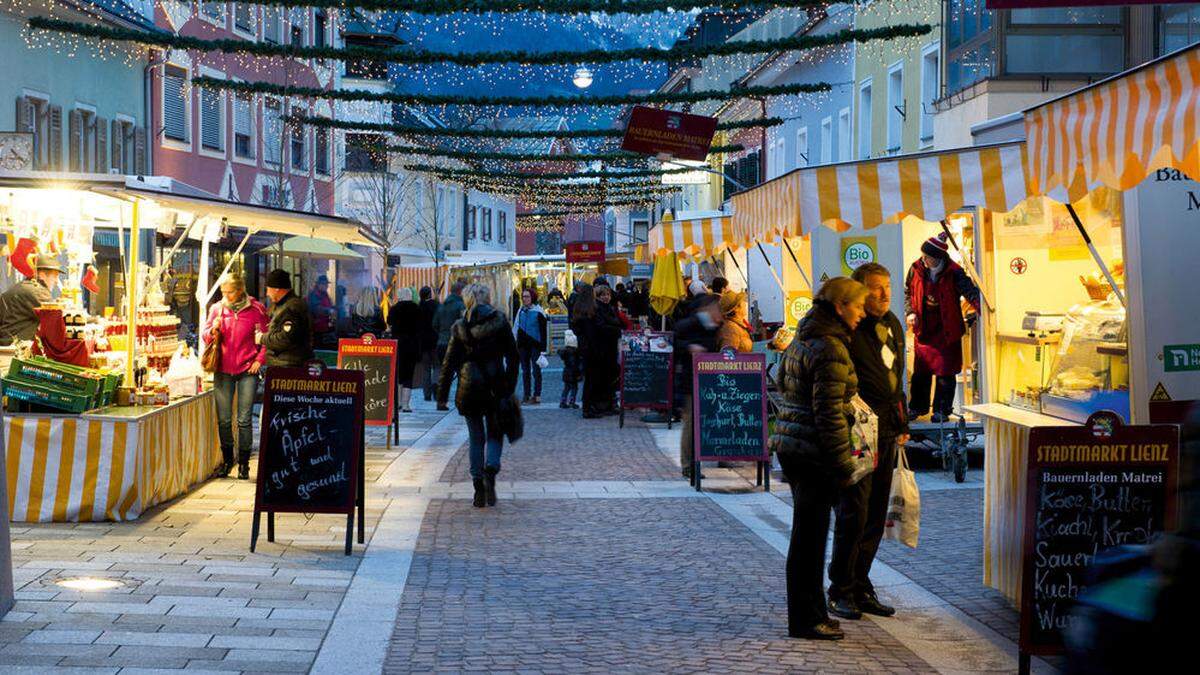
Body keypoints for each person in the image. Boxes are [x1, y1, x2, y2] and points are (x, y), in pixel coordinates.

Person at [770, 276, 868, 641]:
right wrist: (844, 465)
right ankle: (807, 619)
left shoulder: (804, 336)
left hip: (793, 444)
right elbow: (827, 414)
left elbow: (781, 382)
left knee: (806, 536)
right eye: (857, 306)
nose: (861, 314)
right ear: (840, 306)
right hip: (812, 451)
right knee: (810, 540)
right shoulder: (830, 346)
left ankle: (811, 613)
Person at [827, 263, 910, 621]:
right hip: (858, 431)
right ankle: (840, 589)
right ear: (859, 291)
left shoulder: (892, 324)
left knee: (876, 513)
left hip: (888, 429)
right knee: (854, 512)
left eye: (887, 286)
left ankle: (861, 584)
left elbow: (896, 375)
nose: (884, 294)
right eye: (875, 288)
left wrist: (901, 419)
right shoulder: (849, 329)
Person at [437, 284, 519, 508]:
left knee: (476, 437)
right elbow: (513, 356)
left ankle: (477, 488)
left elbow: (449, 362)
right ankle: (490, 469)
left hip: (469, 386)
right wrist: (509, 385)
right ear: (488, 299)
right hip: (495, 385)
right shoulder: (500, 322)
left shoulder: (461, 326)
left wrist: (442, 394)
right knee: (494, 432)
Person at [905, 232, 981, 422]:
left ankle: (941, 410)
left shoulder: (954, 271)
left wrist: (981, 307)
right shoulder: (916, 268)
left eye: (928, 257)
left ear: (937, 258)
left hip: (946, 329)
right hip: (924, 329)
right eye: (923, 255)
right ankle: (917, 407)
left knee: (945, 373)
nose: (924, 259)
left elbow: (969, 291)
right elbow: (907, 291)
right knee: (921, 372)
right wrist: (910, 312)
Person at [202, 273, 269, 480]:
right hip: (223, 369)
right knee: (223, 419)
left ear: (240, 290)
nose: (226, 295)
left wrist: (259, 360)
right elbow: (205, 336)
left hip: (247, 369)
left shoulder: (256, 310)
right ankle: (227, 461)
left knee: (244, 419)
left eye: (229, 292)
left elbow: (266, 338)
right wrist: (212, 331)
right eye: (223, 292)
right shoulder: (217, 310)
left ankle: (244, 464)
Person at [674, 294, 722, 479]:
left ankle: (696, 461)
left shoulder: (714, 326)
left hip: (708, 382)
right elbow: (675, 342)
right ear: (706, 308)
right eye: (716, 307)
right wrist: (689, 347)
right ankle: (688, 465)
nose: (718, 311)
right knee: (691, 423)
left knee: (700, 423)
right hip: (690, 381)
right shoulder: (691, 324)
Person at [0, 253, 61, 344]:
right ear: (42, 275)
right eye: (55, 276)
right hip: (16, 348)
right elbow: (56, 318)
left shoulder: (24, 286)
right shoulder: (37, 291)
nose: (56, 281)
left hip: (7, 344)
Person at [261, 269, 313, 368]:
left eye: (268, 289)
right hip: (282, 363)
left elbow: (285, 339)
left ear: (276, 289)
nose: (267, 293)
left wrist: (262, 338)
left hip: (288, 365)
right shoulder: (281, 305)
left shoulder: (291, 308)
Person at [586, 284, 624, 417]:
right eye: (603, 295)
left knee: (610, 377)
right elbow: (601, 327)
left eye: (607, 294)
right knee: (600, 378)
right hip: (600, 349)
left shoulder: (610, 308)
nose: (606, 297)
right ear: (597, 296)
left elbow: (617, 322)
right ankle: (599, 405)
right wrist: (618, 330)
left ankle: (607, 404)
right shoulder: (596, 309)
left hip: (610, 348)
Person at [387, 286, 423, 413]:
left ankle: (397, 404)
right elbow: (420, 327)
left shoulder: (394, 309)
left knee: (398, 375)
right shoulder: (417, 309)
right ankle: (406, 405)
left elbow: (389, 323)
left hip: (398, 345)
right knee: (409, 375)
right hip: (412, 346)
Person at [433, 280, 467, 410]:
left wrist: (442, 334)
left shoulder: (441, 306)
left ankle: (441, 402)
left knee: (445, 373)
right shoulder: (461, 305)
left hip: (441, 343)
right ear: (460, 292)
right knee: (461, 373)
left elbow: (434, 324)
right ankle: (461, 401)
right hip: (456, 344)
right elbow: (464, 324)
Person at [515, 287, 548, 405]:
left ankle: (537, 395)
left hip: (535, 346)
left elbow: (544, 332)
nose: (525, 299)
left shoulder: (539, 312)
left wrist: (543, 350)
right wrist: (516, 343)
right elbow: (516, 328)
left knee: (536, 371)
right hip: (523, 346)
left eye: (527, 296)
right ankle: (526, 394)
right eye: (523, 296)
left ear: (532, 297)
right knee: (525, 371)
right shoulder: (521, 311)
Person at [418, 286, 440, 401]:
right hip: (435, 340)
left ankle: (427, 394)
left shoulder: (419, 307)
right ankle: (436, 384)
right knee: (437, 365)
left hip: (423, 342)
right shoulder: (436, 305)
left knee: (425, 368)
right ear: (430, 294)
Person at [307, 275, 336, 348]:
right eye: (324, 284)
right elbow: (316, 309)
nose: (326, 286)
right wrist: (329, 311)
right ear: (318, 284)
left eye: (326, 284)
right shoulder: (314, 295)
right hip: (316, 328)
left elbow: (328, 305)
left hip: (324, 327)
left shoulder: (325, 295)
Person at [559, 329, 583, 409]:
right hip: (573, 373)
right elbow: (576, 365)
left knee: (566, 388)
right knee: (574, 388)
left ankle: (563, 401)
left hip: (566, 372)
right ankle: (572, 402)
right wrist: (580, 373)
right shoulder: (575, 353)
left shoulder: (565, 352)